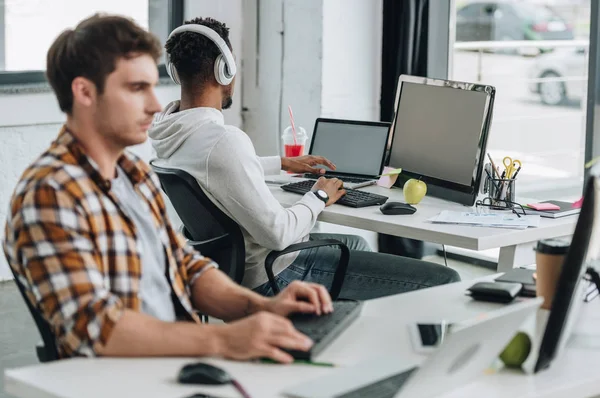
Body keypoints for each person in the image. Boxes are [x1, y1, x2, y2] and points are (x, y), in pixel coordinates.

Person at [2, 14, 334, 363]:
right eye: (136, 88)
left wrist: (262, 306)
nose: (156, 105)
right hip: (127, 381)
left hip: (177, 362)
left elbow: (183, 265)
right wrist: (225, 339)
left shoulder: (131, 174)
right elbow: (96, 328)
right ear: (84, 92)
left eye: (152, 85)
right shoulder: (50, 194)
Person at [148, 17, 460, 300]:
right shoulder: (224, 141)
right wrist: (319, 195)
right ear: (224, 70)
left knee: (357, 245)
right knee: (446, 278)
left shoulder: (171, 130)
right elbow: (278, 232)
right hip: (275, 274)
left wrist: (281, 163)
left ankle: (337, 328)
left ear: (176, 72)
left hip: (226, 269)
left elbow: (213, 169)